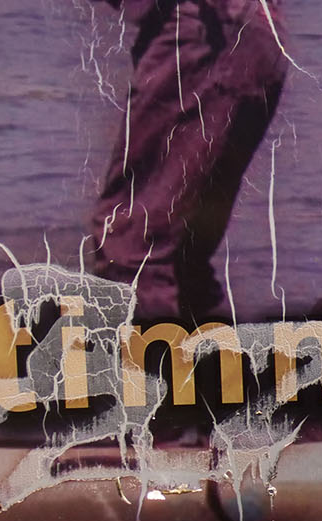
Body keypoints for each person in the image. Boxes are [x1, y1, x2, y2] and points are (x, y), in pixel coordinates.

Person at [88, 0, 288, 320]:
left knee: (135, 241)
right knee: (181, 253)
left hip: (206, 35)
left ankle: (144, 366)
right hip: (254, 34)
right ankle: (199, 361)